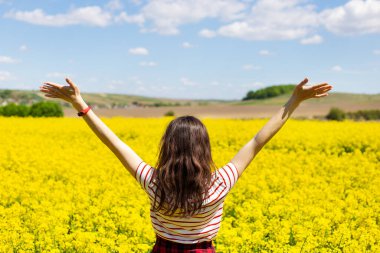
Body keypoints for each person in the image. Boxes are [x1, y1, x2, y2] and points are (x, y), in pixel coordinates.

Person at [39, 78, 332, 252]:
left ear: (167, 147)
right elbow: (258, 141)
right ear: (204, 150)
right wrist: (294, 100)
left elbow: (114, 143)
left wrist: (81, 105)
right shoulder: (220, 184)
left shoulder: (152, 182)